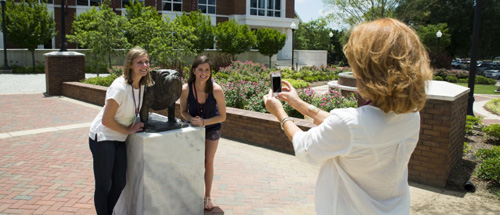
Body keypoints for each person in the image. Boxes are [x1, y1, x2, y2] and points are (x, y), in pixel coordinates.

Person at [263, 18, 433, 214]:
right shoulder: (412, 116)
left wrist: (280, 113)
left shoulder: (349, 125)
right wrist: (298, 104)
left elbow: (305, 148)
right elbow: (355, 130)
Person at [88, 47, 153, 215]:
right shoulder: (119, 87)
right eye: (140, 62)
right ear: (130, 65)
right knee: (104, 185)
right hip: (103, 137)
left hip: (120, 138)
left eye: (146, 61)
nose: (144, 65)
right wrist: (129, 129)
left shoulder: (142, 86)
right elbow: (106, 120)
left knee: (119, 183)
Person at [179, 55, 227, 211]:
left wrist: (204, 122)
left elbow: (223, 116)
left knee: (208, 162)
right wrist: (191, 119)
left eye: (207, 70)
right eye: (201, 69)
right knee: (192, 162)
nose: (204, 73)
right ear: (194, 70)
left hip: (212, 128)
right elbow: (183, 112)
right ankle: (191, 194)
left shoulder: (216, 90)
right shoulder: (186, 89)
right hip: (193, 129)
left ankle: (207, 197)